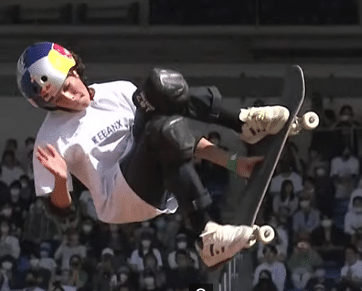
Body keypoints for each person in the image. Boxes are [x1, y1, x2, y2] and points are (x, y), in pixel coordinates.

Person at [16, 41, 302, 269]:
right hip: (119, 197)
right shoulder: (50, 139)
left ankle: (243, 124)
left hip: (149, 163)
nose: (68, 98)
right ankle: (207, 234)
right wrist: (59, 180)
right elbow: (61, 212)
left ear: (74, 70)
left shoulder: (117, 91)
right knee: (161, 131)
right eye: (56, 101)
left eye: (66, 87)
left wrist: (232, 162)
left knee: (163, 86)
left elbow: (179, 137)